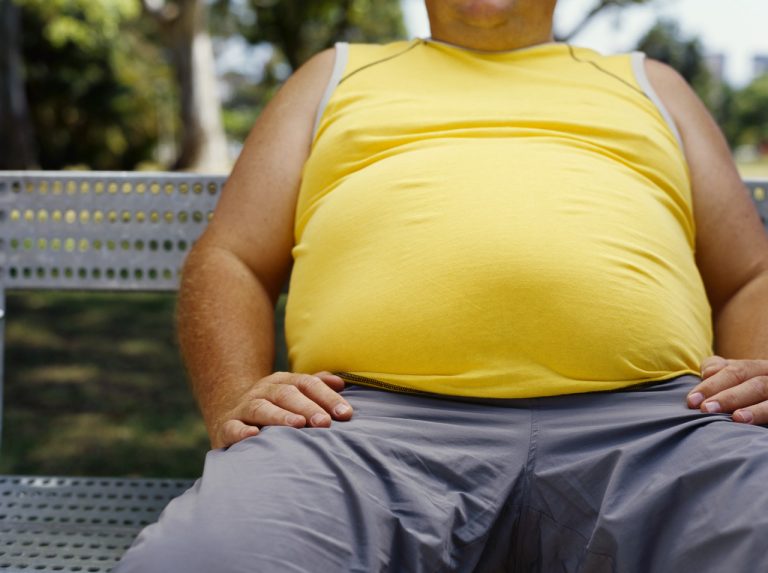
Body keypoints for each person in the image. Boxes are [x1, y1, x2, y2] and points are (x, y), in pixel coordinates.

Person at [115, 1, 768, 571]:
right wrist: (235, 393)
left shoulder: (650, 84)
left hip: (662, 429)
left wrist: (756, 374)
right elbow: (230, 255)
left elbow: (750, 274)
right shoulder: (335, 73)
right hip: (360, 430)